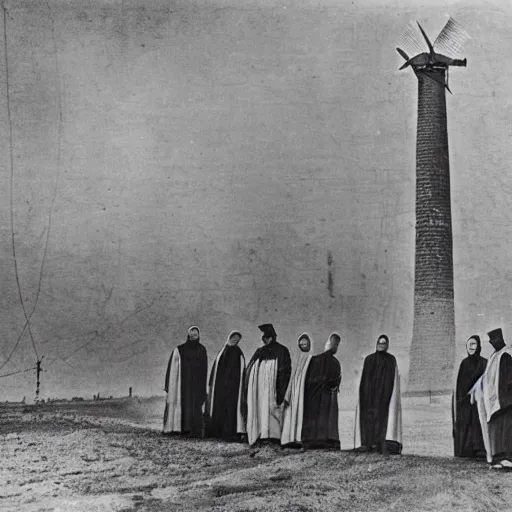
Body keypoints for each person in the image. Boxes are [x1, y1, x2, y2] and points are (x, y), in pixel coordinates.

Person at [243, 323, 292, 447]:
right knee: (260, 409)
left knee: (272, 410)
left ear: (273, 337)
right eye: (264, 337)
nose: (266, 340)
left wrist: (281, 390)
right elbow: (250, 369)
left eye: (268, 337)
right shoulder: (260, 351)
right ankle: (261, 435)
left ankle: (273, 437)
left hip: (272, 387)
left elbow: (285, 371)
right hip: (258, 388)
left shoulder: (282, 350)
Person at [469, 328, 512, 469]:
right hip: (494, 400)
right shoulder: (495, 356)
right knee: (496, 430)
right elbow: (487, 376)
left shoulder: (506, 355)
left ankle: (507, 458)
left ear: (499, 339)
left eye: (494, 340)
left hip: (505, 401)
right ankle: (498, 457)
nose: (492, 343)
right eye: (491, 341)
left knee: (505, 430)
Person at [354, 334, 402, 455]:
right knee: (369, 419)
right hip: (370, 396)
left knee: (381, 420)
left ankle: (379, 444)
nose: (381, 345)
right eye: (379, 343)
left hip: (384, 396)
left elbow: (393, 379)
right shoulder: (369, 359)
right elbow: (365, 380)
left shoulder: (391, 360)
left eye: (383, 343)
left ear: (387, 345)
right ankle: (368, 443)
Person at [163, 325, 208, 437]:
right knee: (185, 404)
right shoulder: (181, 349)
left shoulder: (202, 349)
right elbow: (173, 367)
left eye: (195, 334)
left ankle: (195, 430)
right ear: (188, 335)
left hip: (197, 383)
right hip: (184, 384)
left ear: (198, 335)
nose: (193, 336)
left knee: (195, 405)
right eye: (191, 334)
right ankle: (182, 428)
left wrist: (203, 385)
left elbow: (204, 368)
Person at [301, 332, 342, 450]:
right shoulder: (334, 362)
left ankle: (310, 440)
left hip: (311, 396)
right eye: (336, 345)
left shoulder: (314, 360)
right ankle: (325, 441)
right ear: (333, 345)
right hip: (326, 396)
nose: (336, 348)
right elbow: (335, 381)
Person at [205, 330, 246, 441]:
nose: (235, 340)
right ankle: (217, 431)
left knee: (230, 409)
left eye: (237, 339)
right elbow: (216, 369)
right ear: (229, 338)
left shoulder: (238, 352)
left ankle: (230, 433)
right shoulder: (222, 351)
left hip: (233, 388)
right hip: (220, 386)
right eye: (233, 338)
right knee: (219, 407)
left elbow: (241, 371)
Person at [452, 335, 487, 458]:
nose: (471, 347)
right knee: (467, 424)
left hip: (479, 400)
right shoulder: (464, 363)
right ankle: (466, 450)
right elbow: (460, 383)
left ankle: (480, 449)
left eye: (474, 344)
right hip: (466, 402)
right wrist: (463, 398)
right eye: (469, 345)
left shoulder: (484, 363)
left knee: (478, 423)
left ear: (478, 346)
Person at [281, 333, 314, 447]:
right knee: (292, 412)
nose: (304, 345)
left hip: (304, 391)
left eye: (305, 343)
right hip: (295, 390)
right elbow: (291, 377)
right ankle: (291, 438)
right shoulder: (296, 358)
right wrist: (288, 394)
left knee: (301, 412)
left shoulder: (312, 358)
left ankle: (300, 437)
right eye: (301, 343)